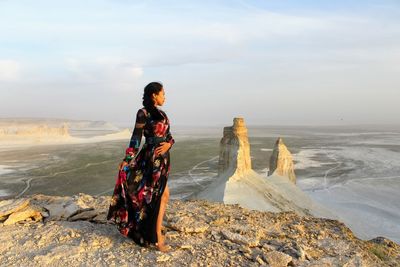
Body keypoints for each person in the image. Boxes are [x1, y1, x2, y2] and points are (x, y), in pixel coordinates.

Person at [107, 82, 174, 252]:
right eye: (163, 93)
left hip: (164, 159)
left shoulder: (163, 114)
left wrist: (168, 145)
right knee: (160, 196)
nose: (164, 96)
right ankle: (157, 238)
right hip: (151, 159)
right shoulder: (143, 113)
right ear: (154, 95)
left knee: (163, 195)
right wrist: (127, 158)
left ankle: (153, 231)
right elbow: (136, 137)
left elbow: (169, 137)